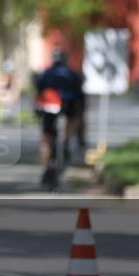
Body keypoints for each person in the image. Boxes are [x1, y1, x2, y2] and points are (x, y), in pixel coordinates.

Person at [35, 48, 83, 187]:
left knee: (46, 139)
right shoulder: (72, 74)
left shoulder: (45, 73)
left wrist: (37, 110)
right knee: (72, 119)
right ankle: (67, 141)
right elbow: (79, 96)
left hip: (49, 108)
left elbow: (39, 93)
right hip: (68, 106)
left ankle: (45, 169)